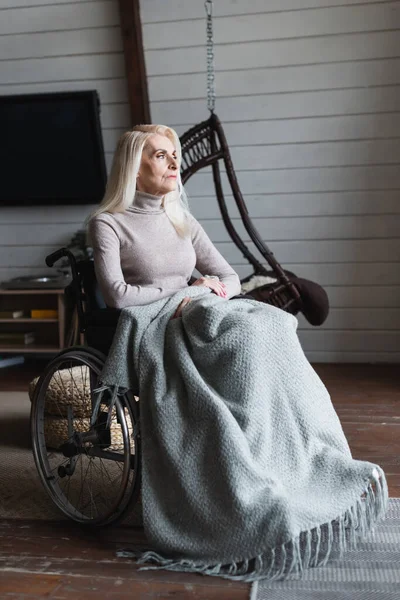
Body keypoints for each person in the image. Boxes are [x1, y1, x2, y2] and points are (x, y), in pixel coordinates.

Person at [87, 124, 242, 320]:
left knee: (277, 319)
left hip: (194, 312)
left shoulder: (182, 219)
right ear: (134, 168)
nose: (175, 165)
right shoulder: (107, 223)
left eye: (174, 155)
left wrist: (203, 297)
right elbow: (116, 297)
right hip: (152, 321)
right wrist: (187, 294)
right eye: (161, 156)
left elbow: (231, 279)